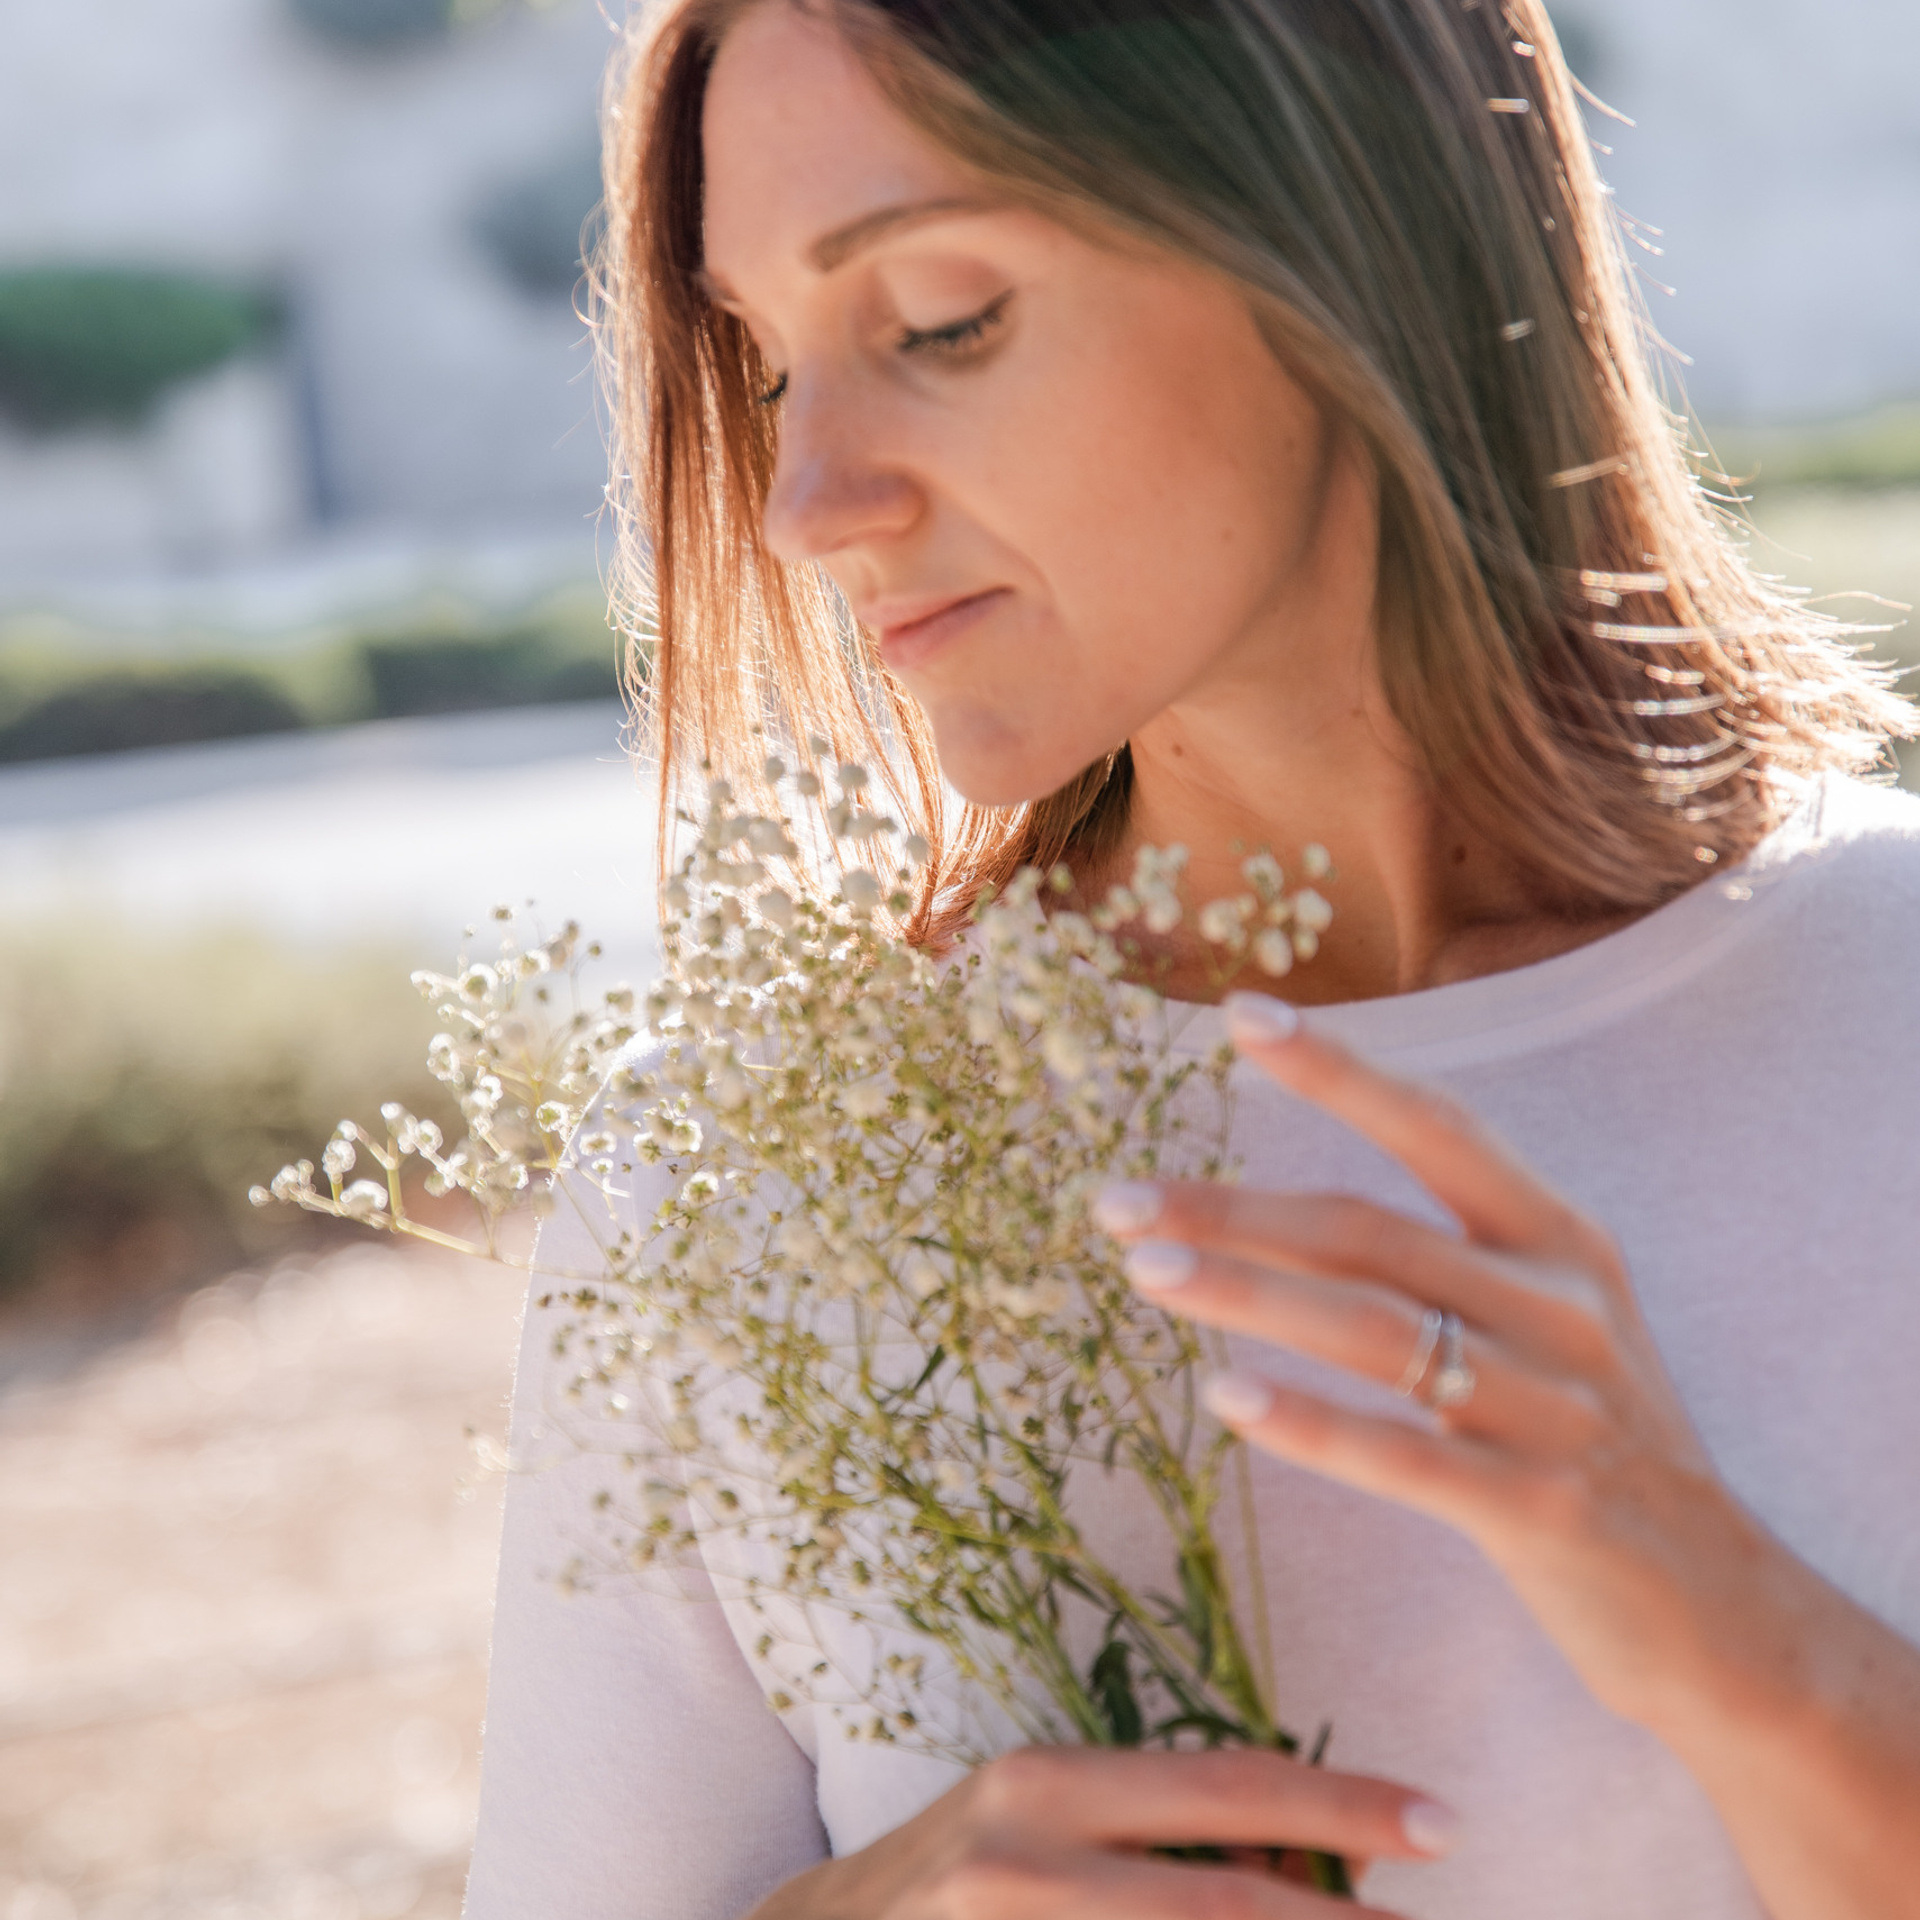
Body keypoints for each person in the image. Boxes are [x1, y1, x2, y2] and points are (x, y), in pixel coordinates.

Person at [463, 1, 1920, 1915]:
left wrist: (1757, 1657)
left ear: (1342, 218)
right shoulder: (737, 1181)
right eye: (767, 367)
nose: (808, 505)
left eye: (940, 321)